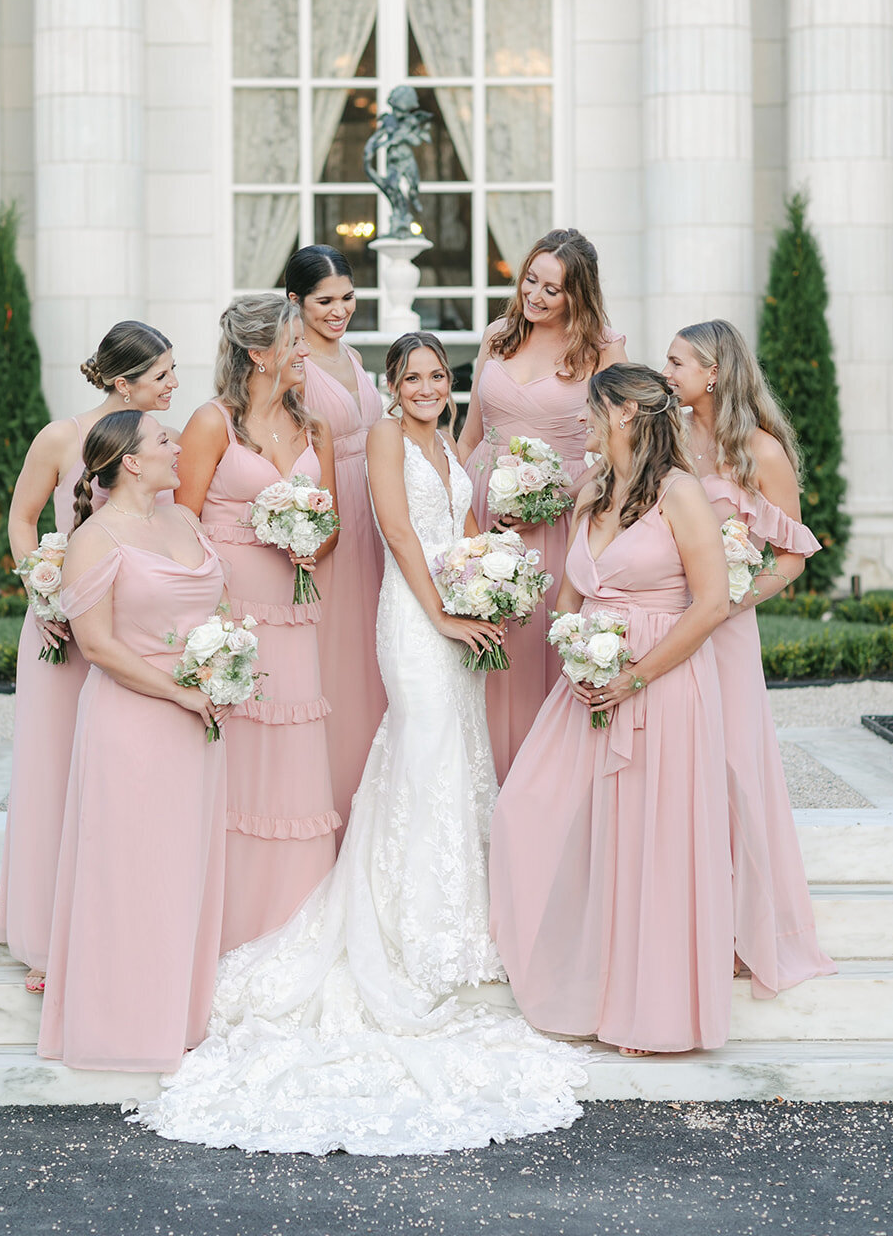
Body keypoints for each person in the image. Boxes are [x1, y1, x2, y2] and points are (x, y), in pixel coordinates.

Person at [134, 333, 586, 1155]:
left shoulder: (448, 441)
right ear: (390, 384)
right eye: (411, 376)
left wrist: (495, 564)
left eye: (437, 376)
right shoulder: (382, 436)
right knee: (420, 755)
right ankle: (406, 929)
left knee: (458, 761)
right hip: (415, 622)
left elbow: (457, 528)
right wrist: (446, 614)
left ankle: (459, 924)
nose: (425, 387)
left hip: (455, 609)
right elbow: (400, 535)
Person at [490, 364, 734, 1056]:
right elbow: (570, 596)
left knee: (650, 838)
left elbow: (711, 603)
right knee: (526, 812)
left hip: (661, 678)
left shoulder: (681, 494)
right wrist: (574, 652)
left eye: (592, 409)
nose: (582, 420)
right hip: (587, 679)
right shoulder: (594, 489)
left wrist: (634, 677)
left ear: (626, 413)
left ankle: (650, 1012)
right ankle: (578, 981)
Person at [36, 411, 229, 1072]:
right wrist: (178, 691)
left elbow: (213, 606)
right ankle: (120, 1028)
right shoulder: (95, 537)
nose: (180, 446)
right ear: (131, 462)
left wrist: (223, 661)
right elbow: (97, 646)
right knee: (130, 876)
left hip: (196, 722)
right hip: (133, 724)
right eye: (165, 441)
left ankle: (175, 1017)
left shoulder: (184, 519)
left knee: (180, 873)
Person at [0, 322, 178, 993]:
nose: (173, 385)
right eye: (161, 374)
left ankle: (115, 922)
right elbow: (22, 520)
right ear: (122, 382)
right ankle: (48, 936)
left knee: (118, 779)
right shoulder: (63, 438)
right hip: (60, 633)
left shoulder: (158, 445)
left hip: (128, 629)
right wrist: (40, 592)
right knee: (55, 773)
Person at [664, 320, 835, 998]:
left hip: (725, 631)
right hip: (662, 621)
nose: (666, 370)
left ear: (711, 373)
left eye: (676, 361)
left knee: (732, 765)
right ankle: (684, 920)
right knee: (677, 765)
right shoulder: (669, 439)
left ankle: (745, 931)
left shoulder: (760, 453)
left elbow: (791, 558)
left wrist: (728, 601)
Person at [175, 296, 340, 952]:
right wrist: (207, 618)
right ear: (257, 353)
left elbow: (330, 524)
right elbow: (182, 521)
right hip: (232, 612)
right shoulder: (211, 423)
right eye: (294, 343)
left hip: (294, 612)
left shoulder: (315, 429)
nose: (306, 354)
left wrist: (309, 543)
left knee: (292, 754)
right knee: (237, 752)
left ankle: (293, 919)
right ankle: (230, 919)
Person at [458, 229, 626, 781]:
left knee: (545, 648)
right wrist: (457, 514)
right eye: (531, 279)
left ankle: (549, 792)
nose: (535, 295)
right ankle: (489, 790)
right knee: (486, 644)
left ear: (578, 294)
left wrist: (550, 500)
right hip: (485, 508)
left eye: (552, 289)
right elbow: (469, 435)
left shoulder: (603, 348)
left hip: (561, 515)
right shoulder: (499, 336)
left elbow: (622, 451)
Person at [286, 244, 386, 834]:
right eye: (324, 301)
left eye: (347, 298)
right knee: (330, 654)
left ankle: (369, 802)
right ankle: (325, 800)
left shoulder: (351, 354)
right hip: (327, 510)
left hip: (373, 510)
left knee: (372, 652)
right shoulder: (290, 360)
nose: (339, 310)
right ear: (295, 302)